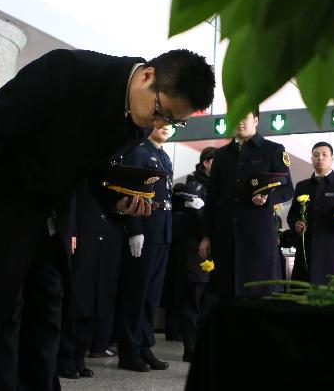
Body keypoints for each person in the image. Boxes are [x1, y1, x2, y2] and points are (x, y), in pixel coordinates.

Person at [0, 48, 215, 390]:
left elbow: (92, 172)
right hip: (2, 209)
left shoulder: (136, 121)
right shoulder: (66, 71)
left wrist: (119, 201)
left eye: (173, 122)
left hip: (52, 220)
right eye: (161, 112)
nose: (159, 125)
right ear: (148, 75)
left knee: (46, 320)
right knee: (0, 320)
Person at [198, 110, 293, 300]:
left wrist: (267, 198)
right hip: (225, 234)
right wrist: (206, 236)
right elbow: (212, 198)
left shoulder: (273, 150)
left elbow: (287, 189)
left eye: (245, 116)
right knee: (224, 293)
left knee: (258, 293)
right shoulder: (222, 154)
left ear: (256, 120)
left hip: (258, 236)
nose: (239, 121)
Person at [114, 125, 174, 373]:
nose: (166, 127)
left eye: (171, 123)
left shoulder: (163, 155)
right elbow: (132, 192)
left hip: (162, 231)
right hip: (146, 230)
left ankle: (144, 345)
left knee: (151, 295)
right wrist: (135, 229)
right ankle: (129, 350)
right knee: (136, 293)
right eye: (161, 121)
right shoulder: (139, 152)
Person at [56, 178, 121, 379]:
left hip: (107, 238)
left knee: (96, 301)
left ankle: (79, 357)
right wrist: (70, 231)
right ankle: (65, 358)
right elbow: (71, 198)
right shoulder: (83, 168)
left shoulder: (113, 169)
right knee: (77, 300)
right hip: (82, 237)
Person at [167, 146, 214, 362]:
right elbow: (197, 218)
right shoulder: (193, 186)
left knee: (208, 302)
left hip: (212, 253)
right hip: (196, 252)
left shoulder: (218, 185)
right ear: (206, 162)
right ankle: (190, 346)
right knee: (193, 300)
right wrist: (210, 233)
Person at [287, 142, 334, 283]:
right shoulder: (302, 186)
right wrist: (295, 224)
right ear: (311, 158)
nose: (320, 158)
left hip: (331, 251)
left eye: (325, 155)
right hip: (306, 252)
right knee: (302, 291)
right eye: (316, 155)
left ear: (332, 159)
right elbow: (292, 214)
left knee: (330, 292)